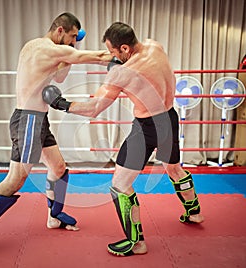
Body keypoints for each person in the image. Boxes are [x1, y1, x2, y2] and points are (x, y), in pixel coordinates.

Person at [42, 22, 204, 257]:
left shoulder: (123, 73)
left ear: (125, 49)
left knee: (119, 185)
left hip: (148, 127)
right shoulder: (154, 46)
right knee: (174, 169)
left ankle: (136, 242)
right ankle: (194, 211)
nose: (112, 56)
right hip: (169, 117)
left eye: (114, 52)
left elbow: (94, 108)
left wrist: (62, 104)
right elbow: (160, 73)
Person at [0, 12, 111, 254]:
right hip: (29, 121)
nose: (73, 42)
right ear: (60, 30)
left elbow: (59, 76)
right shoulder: (47, 48)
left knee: (58, 168)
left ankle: (55, 216)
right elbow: (93, 56)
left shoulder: (35, 47)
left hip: (39, 120)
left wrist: (69, 53)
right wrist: (123, 57)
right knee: (15, 180)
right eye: (72, 36)